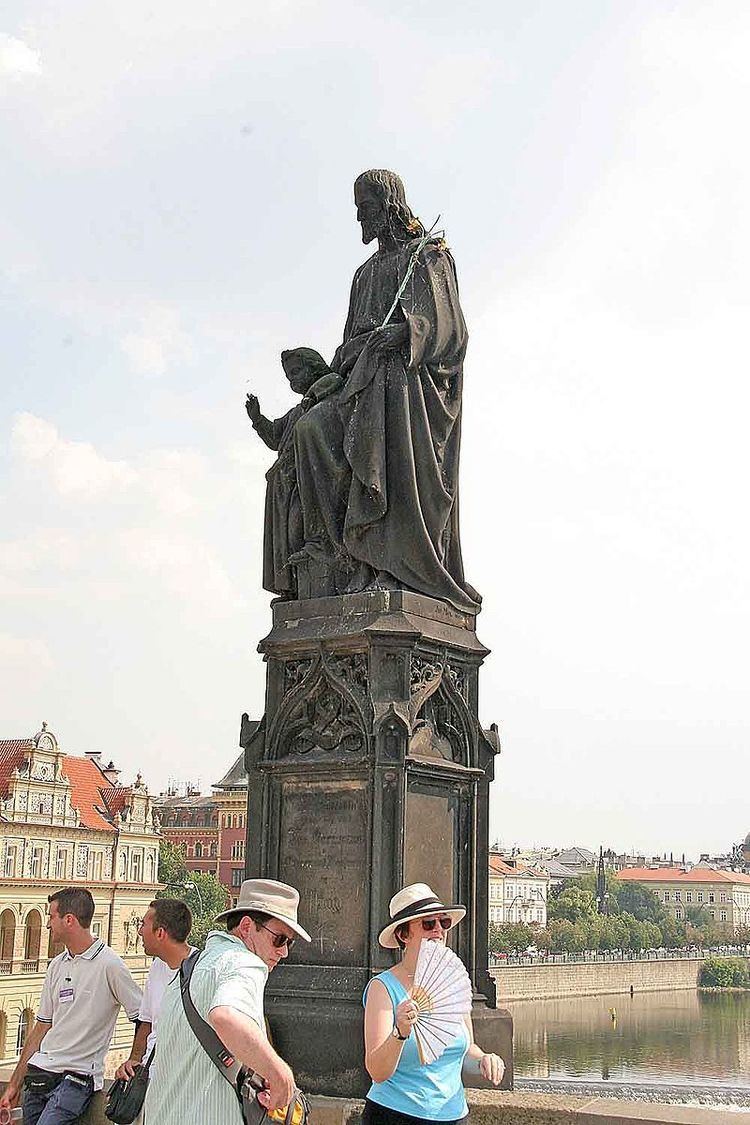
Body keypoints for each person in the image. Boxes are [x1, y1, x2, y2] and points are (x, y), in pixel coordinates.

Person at [293, 170, 481, 613]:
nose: (361, 216)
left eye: (368, 206)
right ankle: (332, 554)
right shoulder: (364, 275)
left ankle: (386, 560)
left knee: (384, 391)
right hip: (358, 380)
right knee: (309, 429)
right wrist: (343, 361)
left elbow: (451, 332)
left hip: (405, 385)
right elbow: (346, 347)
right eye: (357, 208)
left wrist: (402, 334)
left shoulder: (429, 258)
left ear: (390, 205)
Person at [144, 878, 310, 1125]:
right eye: (279, 939)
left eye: (289, 942)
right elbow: (226, 1016)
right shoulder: (245, 962)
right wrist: (280, 1074)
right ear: (246, 927)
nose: (284, 951)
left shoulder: (189, 970)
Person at [363, 883, 504, 1125]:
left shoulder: (452, 986)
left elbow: (466, 1048)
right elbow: (377, 1071)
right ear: (403, 935)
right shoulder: (383, 987)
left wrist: (483, 1058)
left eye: (444, 923)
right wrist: (399, 1033)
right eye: (428, 924)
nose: (438, 930)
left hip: (454, 1114)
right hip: (395, 1115)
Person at [0, 887, 142, 1125]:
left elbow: (142, 1015)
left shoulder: (110, 965)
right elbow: (40, 1029)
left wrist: (134, 1058)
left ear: (69, 920)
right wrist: (14, 1083)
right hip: (40, 1075)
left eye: (51, 917)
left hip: (76, 1079)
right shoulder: (57, 965)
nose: (47, 925)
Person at [246, 347, 341, 598]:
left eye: (297, 372)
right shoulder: (298, 411)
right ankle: (292, 586)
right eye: (289, 377)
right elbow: (275, 438)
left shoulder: (329, 395)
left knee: (298, 528)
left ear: (314, 367)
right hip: (283, 488)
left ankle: (311, 563)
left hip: (305, 485)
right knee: (287, 541)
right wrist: (257, 419)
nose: (293, 381)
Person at [114, 899, 195, 1082]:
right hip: (150, 1075)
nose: (139, 931)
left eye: (143, 924)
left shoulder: (201, 970)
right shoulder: (157, 966)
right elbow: (147, 1021)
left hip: (181, 1080)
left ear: (160, 933)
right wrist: (134, 1060)